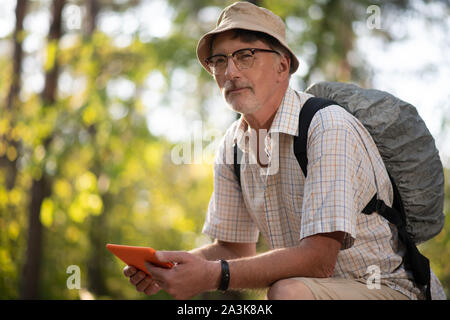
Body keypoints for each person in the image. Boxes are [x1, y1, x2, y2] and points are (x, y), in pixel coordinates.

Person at [123, 1, 441, 300]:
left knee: (287, 292)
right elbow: (233, 251)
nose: (230, 72)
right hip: (315, 290)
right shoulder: (232, 147)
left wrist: (211, 275)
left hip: (391, 288)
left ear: (282, 66)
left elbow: (318, 260)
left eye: (245, 55)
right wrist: (166, 266)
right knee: (289, 290)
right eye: (219, 60)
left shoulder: (326, 127)